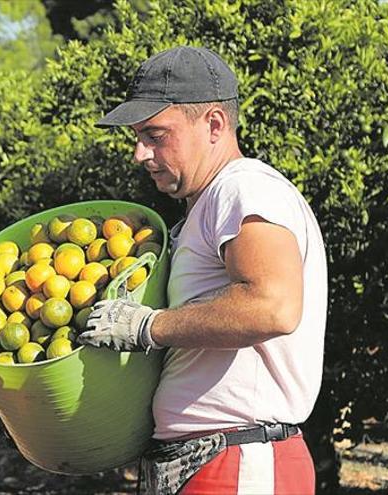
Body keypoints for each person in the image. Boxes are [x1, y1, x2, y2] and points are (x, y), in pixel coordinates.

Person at [78, 46, 327, 494]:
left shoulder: (243, 186)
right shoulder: (205, 206)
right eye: (137, 137)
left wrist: (149, 326)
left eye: (155, 135)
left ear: (214, 124)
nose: (140, 153)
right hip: (207, 458)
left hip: (239, 458)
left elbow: (272, 307)